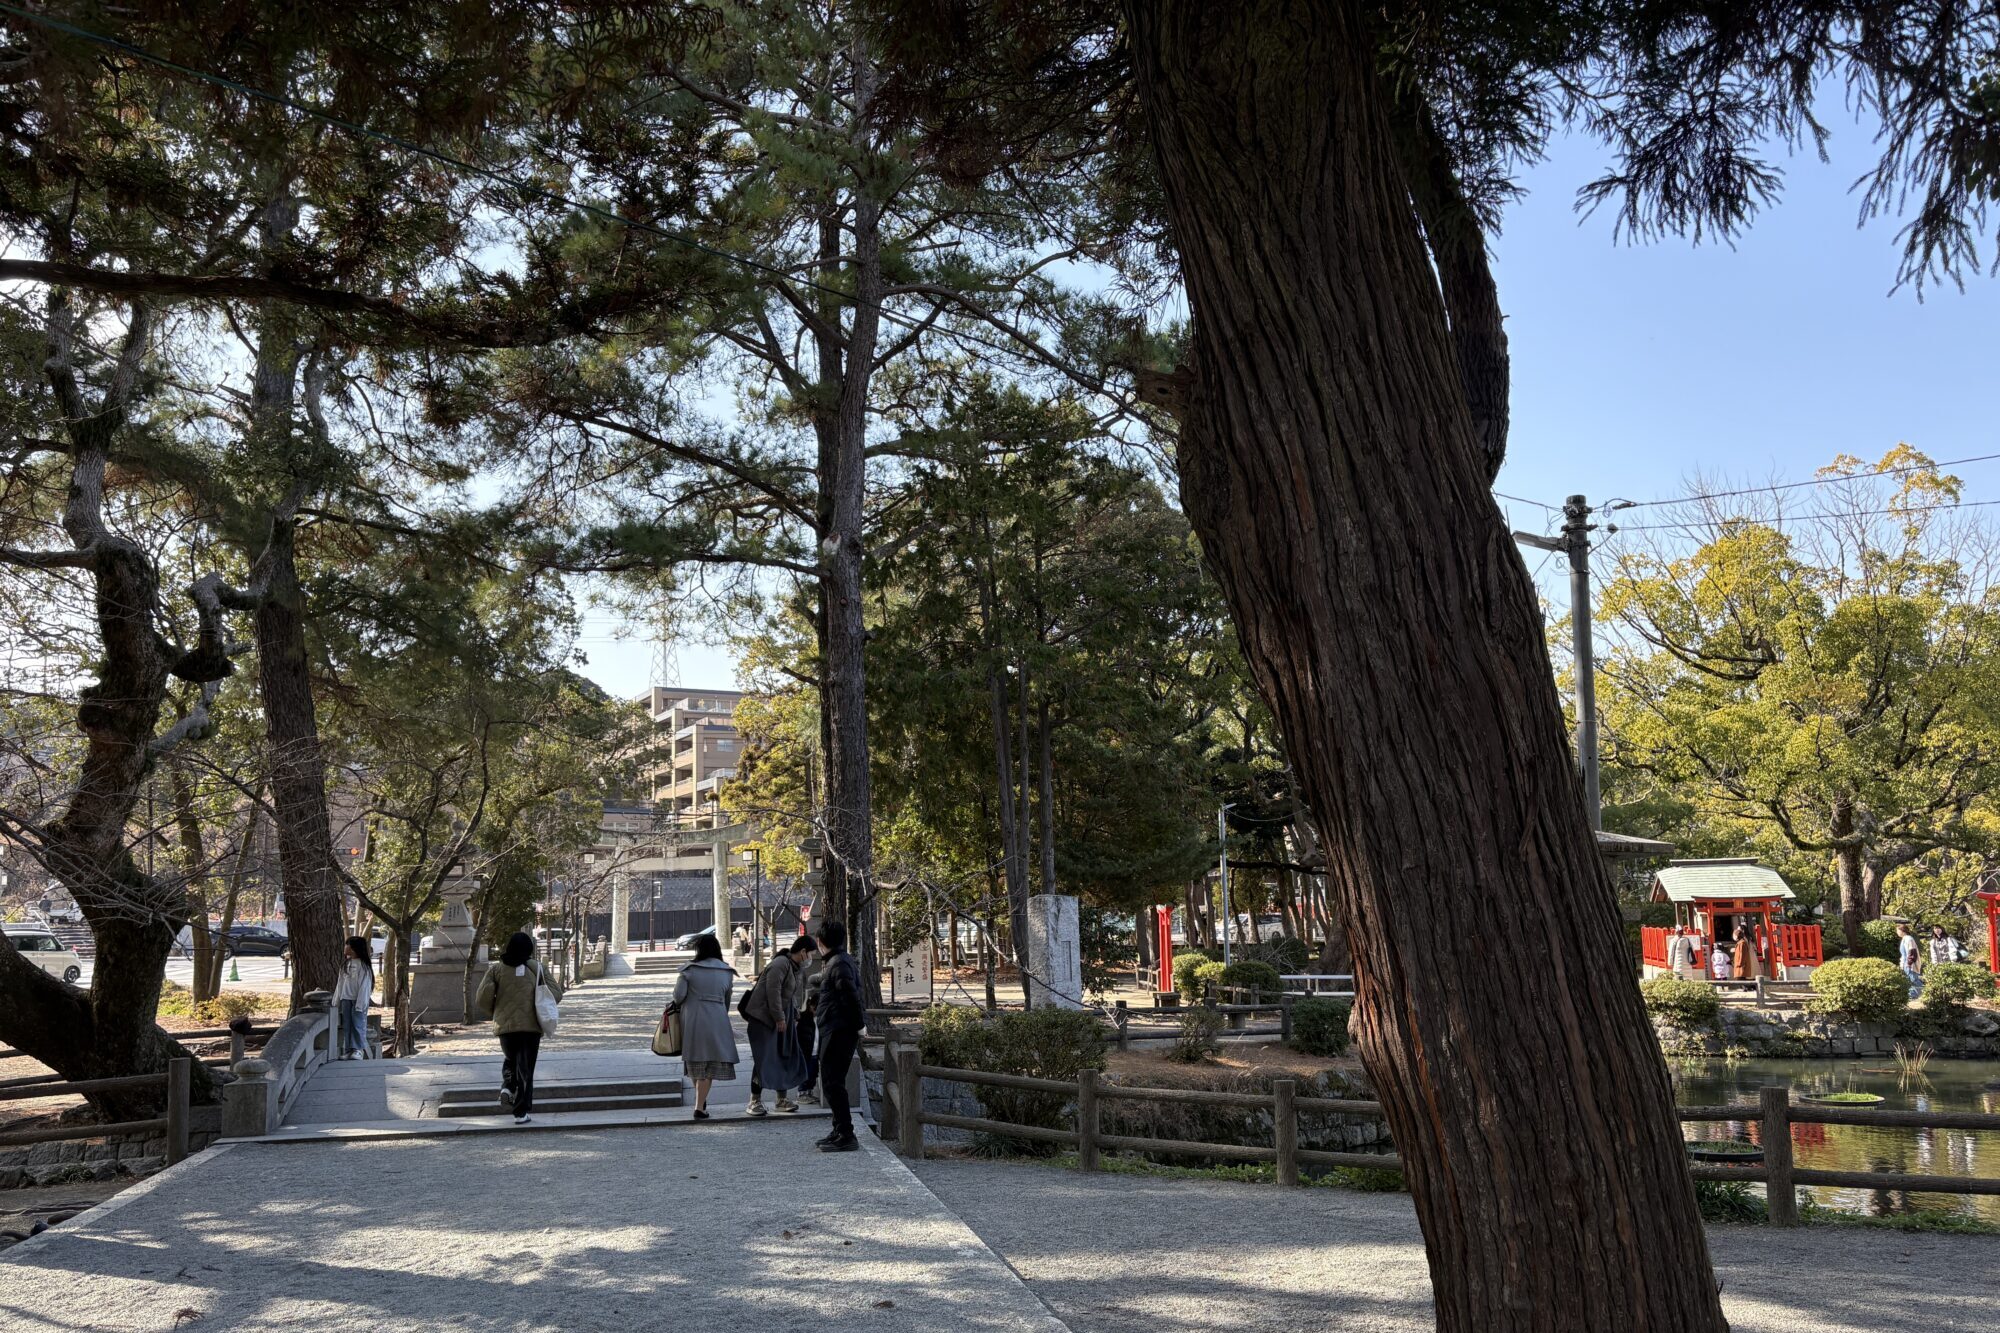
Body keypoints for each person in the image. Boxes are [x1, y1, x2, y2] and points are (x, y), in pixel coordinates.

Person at [476, 931, 562, 1125]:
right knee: (526, 1069)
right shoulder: (537, 967)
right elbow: (555, 994)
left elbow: (482, 998)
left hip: (505, 1026)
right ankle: (520, 1112)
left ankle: (507, 1086)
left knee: (510, 1059)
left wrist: (496, 1011)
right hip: (531, 1027)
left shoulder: (496, 969)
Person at [741, 935, 814, 1117]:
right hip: (766, 1019)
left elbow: (791, 996)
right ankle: (754, 1100)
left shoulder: (794, 968)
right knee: (764, 1058)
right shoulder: (780, 964)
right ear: (803, 952)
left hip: (784, 1017)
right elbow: (772, 993)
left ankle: (781, 1099)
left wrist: (794, 1014)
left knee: (784, 1055)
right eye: (811, 953)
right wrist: (780, 1018)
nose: (811, 958)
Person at [812, 919, 866, 1153]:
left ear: (820, 941)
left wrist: (859, 1025)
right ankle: (839, 1129)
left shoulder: (839, 964)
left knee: (833, 1083)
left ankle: (846, 1133)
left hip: (839, 1030)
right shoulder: (838, 962)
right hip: (834, 1027)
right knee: (832, 1082)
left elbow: (851, 998)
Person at [671, 932, 738, 1119]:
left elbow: (678, 997)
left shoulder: (688, 970)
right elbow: (727, 1001)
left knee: (695, 1060)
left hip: (693, 1020)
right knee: (710, 1063)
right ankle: (700, 1102)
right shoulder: (726, 972)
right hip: (717, 1019)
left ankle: (699, 1106)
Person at [332, 936, 373, 1060]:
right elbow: (340, 984)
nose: (345, 947)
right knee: (347, 1024)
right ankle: (348, 1049)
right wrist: (336, 1001)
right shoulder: (345, 964)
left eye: (347, 944)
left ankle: (358, 1049)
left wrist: (361, 1003)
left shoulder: (363, 966)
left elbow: (364, 986)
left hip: (357, 1000)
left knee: (358, 1024)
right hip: (345, 999)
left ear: (354, 948)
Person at [1896, 923, 1925, 996]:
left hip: (1910, 964)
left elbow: (1912, 952)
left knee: (1914, 979)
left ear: (1902, 931)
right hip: (1906, 963)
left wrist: (1909, 963)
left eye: (1898, 930)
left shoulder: (1909, 939)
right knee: (1909, 980)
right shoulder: (1904, 939)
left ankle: (1924, 993)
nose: (1897, 932)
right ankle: (1912, 994)